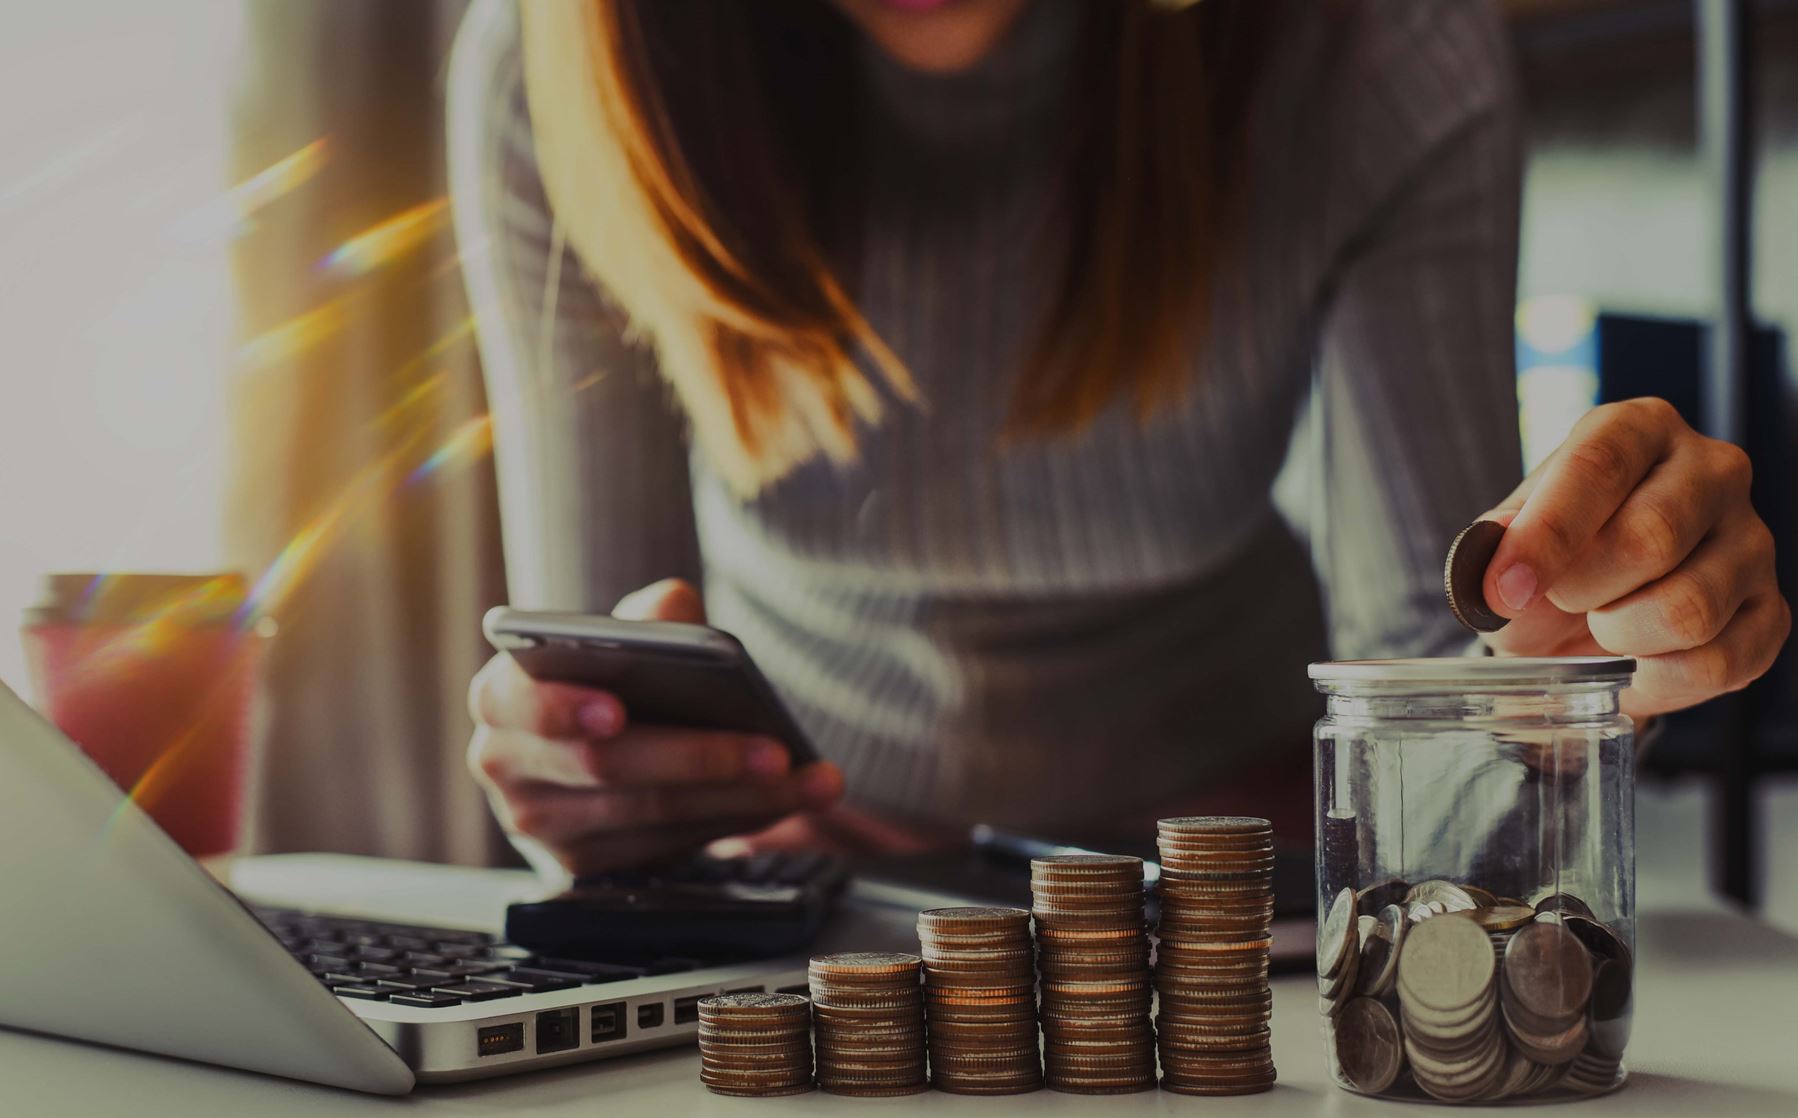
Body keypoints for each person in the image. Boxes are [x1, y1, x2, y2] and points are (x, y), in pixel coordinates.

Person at [447, 0, 1787, 879]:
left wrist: (1567, 686)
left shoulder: (1377, 45)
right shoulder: (552, 70)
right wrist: (595, 783)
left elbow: (1436, 731)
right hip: (817, 901)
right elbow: (603, 660)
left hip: (1249, 875)